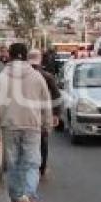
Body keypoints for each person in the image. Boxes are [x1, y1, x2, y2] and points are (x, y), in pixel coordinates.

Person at [0, 42, 53, 202]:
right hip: (32, 126)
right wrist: (47, 125)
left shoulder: (0, 78)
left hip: (10, 125)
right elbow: (46, 103)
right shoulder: (37, 76)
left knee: (13, 165)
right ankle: (28, 195)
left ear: (9, 55)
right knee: (32, 164)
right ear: (25, 56)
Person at [28, 49, 60, 178]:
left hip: (25, 115)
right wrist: (55, 114)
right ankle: (42, 167)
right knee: (43, 140)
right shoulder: (46, 76)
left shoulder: (20, 76)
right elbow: (56, 95)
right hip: (42, 114)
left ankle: (30, 166)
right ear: (40, 59)